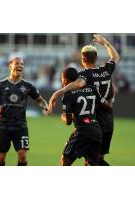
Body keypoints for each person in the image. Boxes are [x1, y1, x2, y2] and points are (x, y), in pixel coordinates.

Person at [48, 34, 120, 166]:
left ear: (82, 59)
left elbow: (79, 84)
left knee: (79, 159)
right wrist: (106, 44)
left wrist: (59, 92)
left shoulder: (84, 75)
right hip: (108, 122)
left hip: (93, 121)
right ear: (96, 58)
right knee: (96, 161)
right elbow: (115, 57)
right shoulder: (106, 70)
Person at [0, 57, 48, 166]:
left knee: (22, 155)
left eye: (22, 64)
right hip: (3, 126)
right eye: (17, 63)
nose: (20, 66)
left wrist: (46, 107)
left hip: (20, 126)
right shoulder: (0, 85)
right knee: (0, 159)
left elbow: (39, 100)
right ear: (10, 66)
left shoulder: (28, 86)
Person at [60, 67, 102, 166]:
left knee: (64, 162)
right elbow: (98, 103)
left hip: (83, 132)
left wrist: (63, 117)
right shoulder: (91, 88)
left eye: (62, 78)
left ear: (65, 80)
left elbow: (68, 121)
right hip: (97, 132)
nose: (62, 81)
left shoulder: (68, 94)